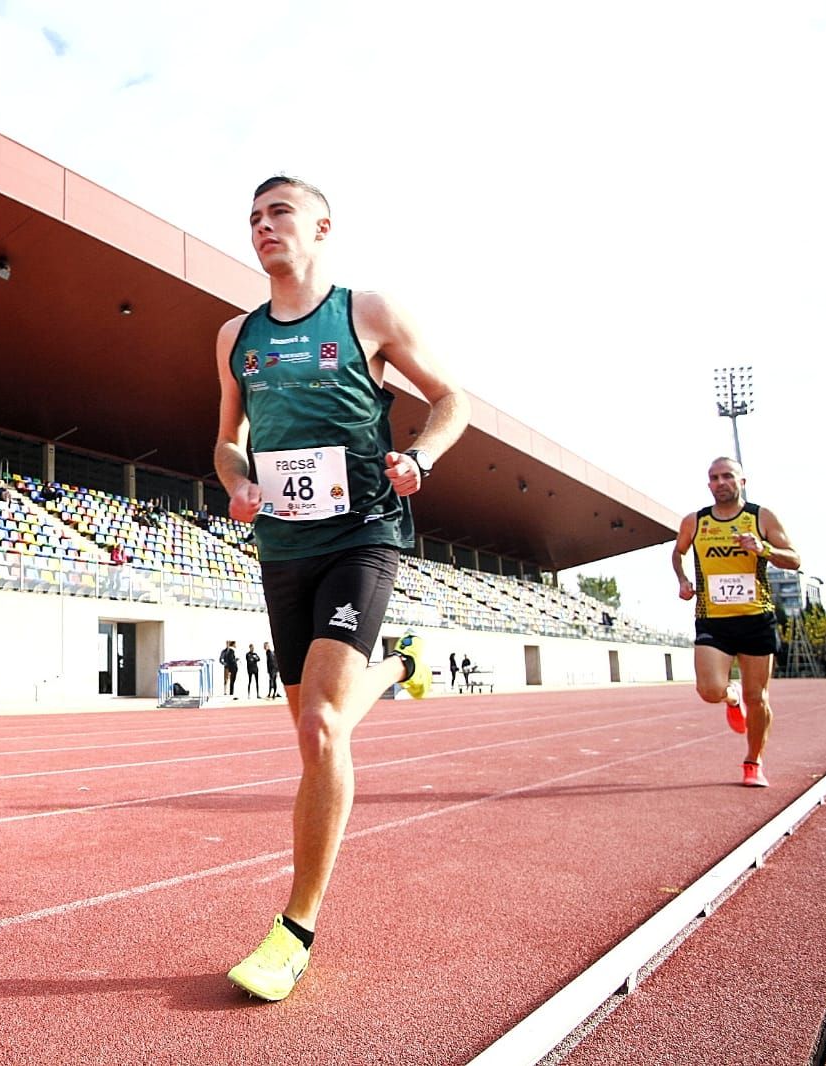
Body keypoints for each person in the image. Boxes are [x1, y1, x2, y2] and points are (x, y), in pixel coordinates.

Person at [215, 175, 468, 1001]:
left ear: (321, 227)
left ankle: (294, 932)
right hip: (282, 546)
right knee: (311, 729)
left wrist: (419, 457)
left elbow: (450, 399)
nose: (263, 226)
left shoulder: (367, 314)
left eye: (278, 212)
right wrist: (238, 480)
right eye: (253, 217)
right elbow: (227, 440)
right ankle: (394, 667)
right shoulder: (235, 337)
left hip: (363, 533)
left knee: (323, 726)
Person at [671, 456, 800, 788]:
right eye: (714, 478)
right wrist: (684, 581)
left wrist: (764, 548)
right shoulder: (695, 522)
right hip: (713, 619)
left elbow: (795, 559)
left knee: (758, 697)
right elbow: (678, 552)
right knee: (708, 690)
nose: (720, 482)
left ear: (742, 482)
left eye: (727, 476)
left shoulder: (760, 517)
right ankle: (731, 697)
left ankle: (753, 762)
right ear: (708, 485)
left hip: (756, 618)